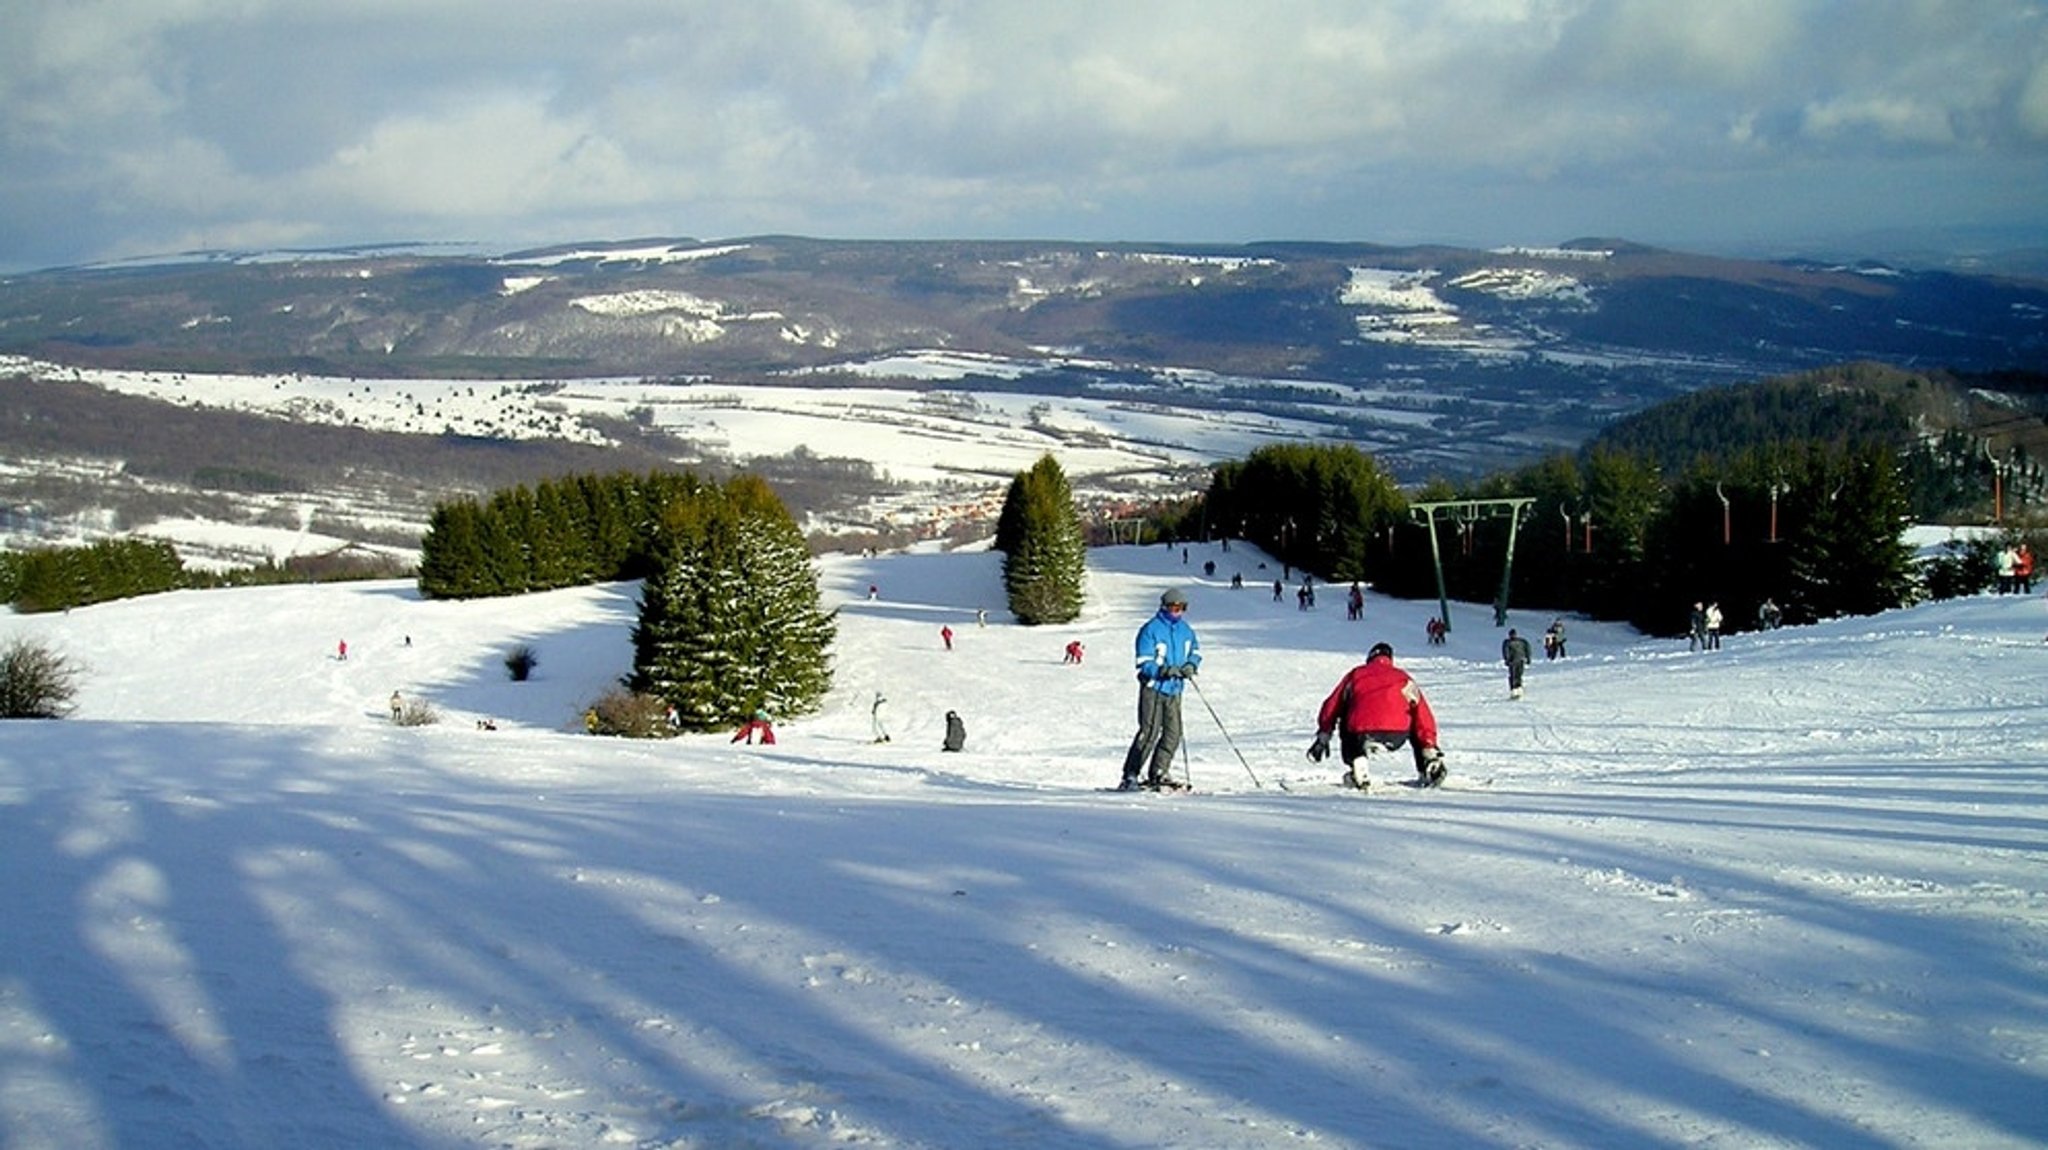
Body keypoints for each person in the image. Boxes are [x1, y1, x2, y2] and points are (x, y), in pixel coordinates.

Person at [1308, 642, 1444, 790]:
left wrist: (1323, 735)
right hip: (1397, 734)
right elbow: (1423, 713)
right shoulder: (1403, 678)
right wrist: (1429, 744)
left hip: (1360, 732)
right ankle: (1426, 765)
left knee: (1346, 712)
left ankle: (1356, 760)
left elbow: (1332, 705)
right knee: (1413, 716)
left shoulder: (1356, 674)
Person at [1118, 587, 1202, 791]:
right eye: (1174, 608)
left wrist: (1191, 665)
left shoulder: (1186, 630)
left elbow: (1195, 651)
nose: (1178, 612)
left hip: (1175, 689)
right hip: (1154, 688)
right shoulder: (1150, 629)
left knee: (1174, 732)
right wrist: (1162, 670)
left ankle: (1159, 771)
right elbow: (1143, 661)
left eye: (1182, 608)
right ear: (1164, 607)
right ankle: (1130, 775)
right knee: (1149, 732)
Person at [1502, 628, 1533, 700]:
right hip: (1515, 661)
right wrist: (1528, 658)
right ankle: (1516, 691)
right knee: (1516, 676)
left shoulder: (1515, 642)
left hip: (1516, 661)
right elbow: (1506, 652)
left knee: (1516, 676)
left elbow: (1527, 649)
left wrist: (1528, 658)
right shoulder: (1521, 641)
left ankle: (1517, 691)